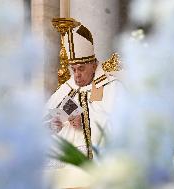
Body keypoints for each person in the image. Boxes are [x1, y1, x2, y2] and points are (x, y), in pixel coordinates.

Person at [44, 19, 121, 189]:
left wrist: (85, 121)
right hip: (63, 166)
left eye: (81, 69)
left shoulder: (111, 87)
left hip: (94, 165)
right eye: (73, 69)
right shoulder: (67, 88)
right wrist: (53, 125)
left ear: (93, 65)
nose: (76, 75)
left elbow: (120, 125)